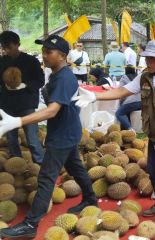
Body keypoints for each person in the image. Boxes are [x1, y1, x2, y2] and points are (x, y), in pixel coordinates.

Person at [73, 40, 155, 227]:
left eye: (153, 58)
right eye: (147, 57)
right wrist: (95, 96)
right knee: (154, 173)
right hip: (153, 135)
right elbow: (123, 91)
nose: (149, 61)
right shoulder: (144, 77)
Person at [0, 35, 96, 239]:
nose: (44, 55)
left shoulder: (63, 78)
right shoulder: (57, 74)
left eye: (48, 52)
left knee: (46, 177)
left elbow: (52, 111)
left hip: (63, 134)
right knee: (75, 167)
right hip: (65, 130)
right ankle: (90, 198)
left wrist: (18, 122)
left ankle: (30, 224)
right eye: (43, 51)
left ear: (62, 55)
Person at [0, 31, 44, 164]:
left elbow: (40, 81)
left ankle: (41, 165)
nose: (7, 51)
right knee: (12, 139)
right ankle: (17, 166)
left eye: (10, 47)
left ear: (18, 44)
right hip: (7, 105)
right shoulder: (2, 62)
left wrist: (25, 85)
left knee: (32, 139)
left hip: (26, 104)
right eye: (4, 48)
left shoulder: (31, 61)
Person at [115, 65, 141, 130]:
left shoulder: (124, 77)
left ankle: (130, 130)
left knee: (119, 113)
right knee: (126, 110)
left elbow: (121, 92)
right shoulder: (138, 77)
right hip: (142, 101)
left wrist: (120, 104)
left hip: (132, 101)